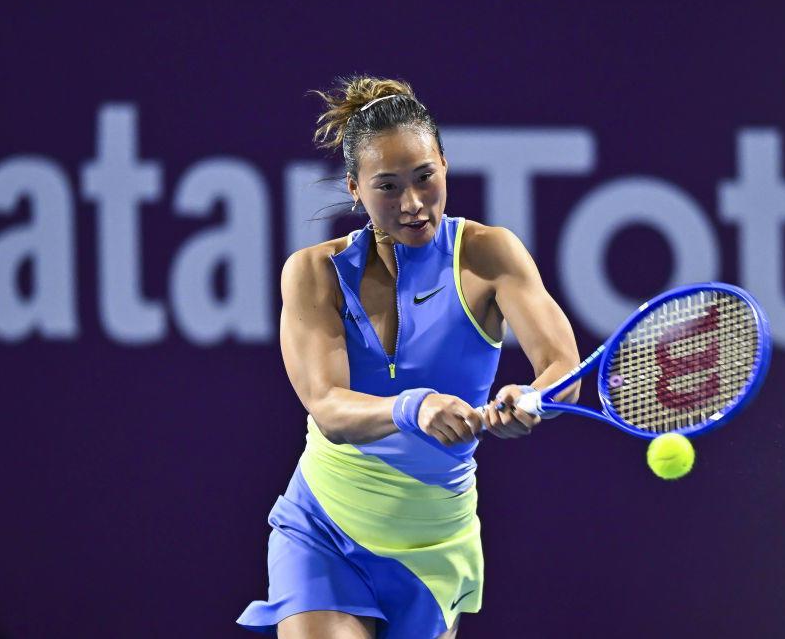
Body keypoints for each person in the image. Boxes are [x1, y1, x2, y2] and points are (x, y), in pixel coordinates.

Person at [237, 76, 581, 639]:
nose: (413, 203)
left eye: (425, 177)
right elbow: (328, 407)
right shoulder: (313, 273)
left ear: (444, 165)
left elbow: (562, 365)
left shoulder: (489, 253)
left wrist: (533, 399)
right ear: (355, 189)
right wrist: (413, 407)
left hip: (433, 543)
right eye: (388, 187)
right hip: (325, 525)